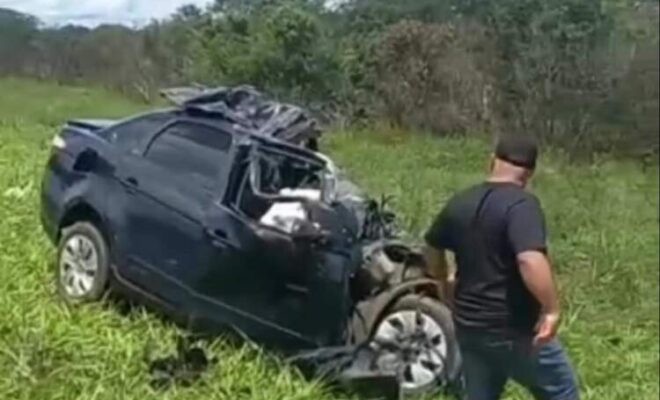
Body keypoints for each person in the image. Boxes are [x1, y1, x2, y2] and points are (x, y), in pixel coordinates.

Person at [423, 135, 579, 400]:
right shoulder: (522, 205)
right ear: (529, 172)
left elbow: (431, 248)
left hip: (469, 326)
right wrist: (551, 310)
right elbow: (529, 259)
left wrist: (444, 284)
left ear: (492, 161)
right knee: (561, 390)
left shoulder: (461, 201)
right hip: (513, 329)